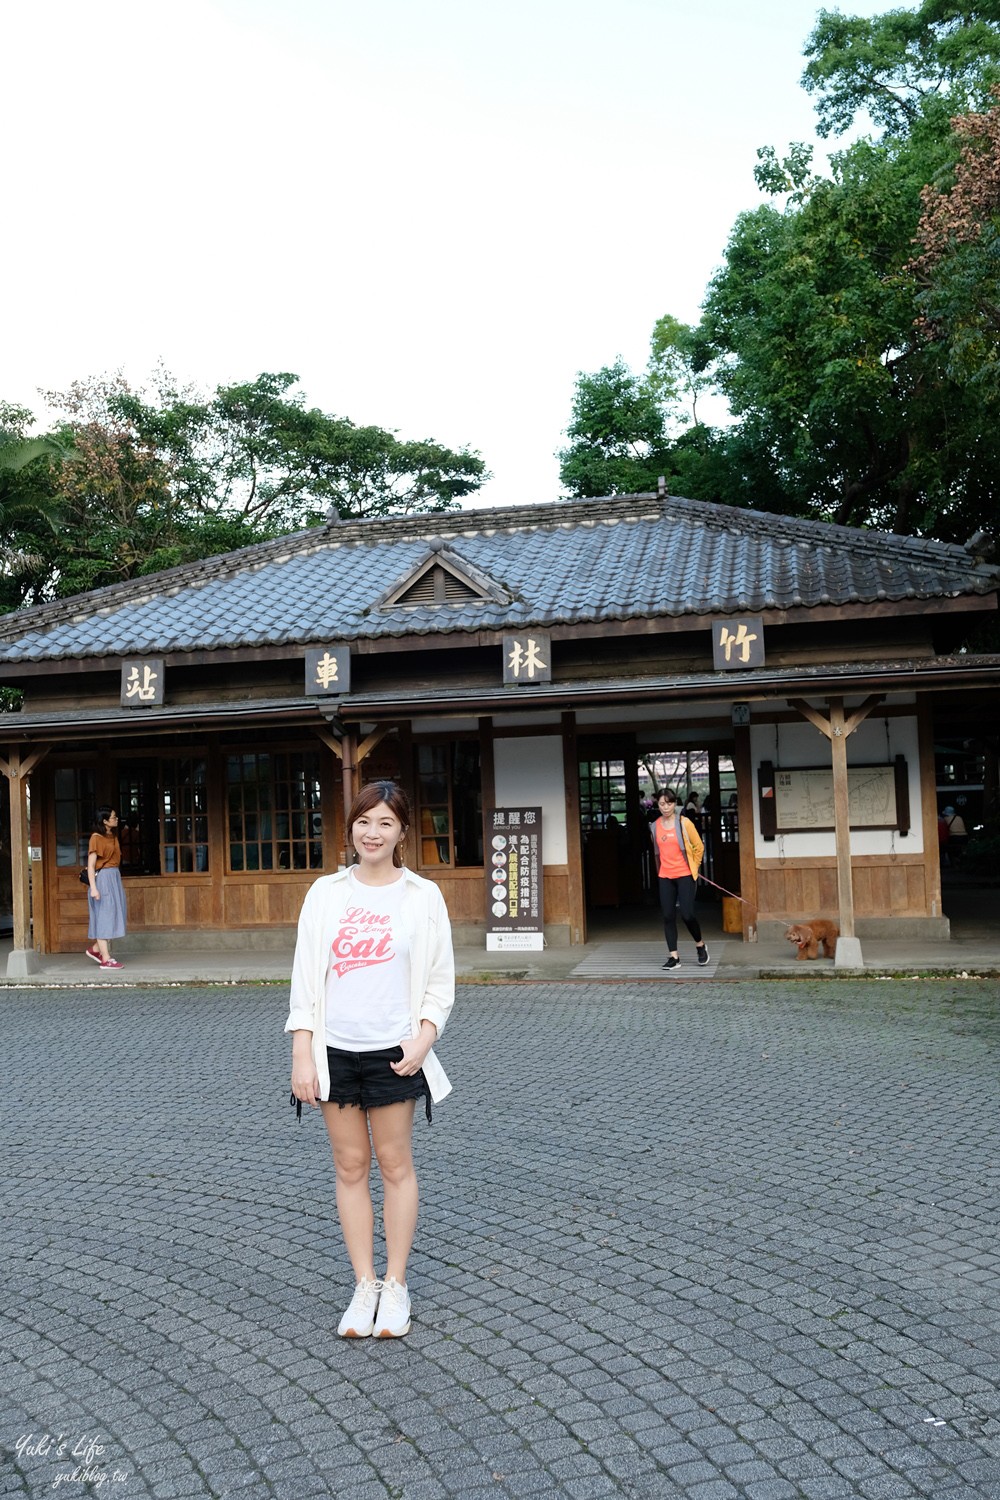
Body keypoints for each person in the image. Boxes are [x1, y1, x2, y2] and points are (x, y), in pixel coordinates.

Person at [286, 780, 455, 1339]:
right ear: (350, 828)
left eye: (385, 822)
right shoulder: (326, 894)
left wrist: (424, 1038)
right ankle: (364, 1285)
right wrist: (302, 1054)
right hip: (335, 1053)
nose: (373, 833)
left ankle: (396, 1283)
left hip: (393, 1054)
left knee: (394, 1164)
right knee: (350, 1167)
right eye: (364, 821)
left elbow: (439, 982)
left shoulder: (422, 896)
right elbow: (305, 981)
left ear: (402, 831)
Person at [651, 787, 708, 971]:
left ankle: (700, 945)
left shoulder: (684, 823)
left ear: (674, 804)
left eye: (669, 803)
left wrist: (694, 866)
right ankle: (673, 957)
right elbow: (657, 852)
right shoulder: (654, 826)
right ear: (657, 805)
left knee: (687, 914)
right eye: (661, 804)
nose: (665, 807)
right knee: (668, 916)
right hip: (665, 876)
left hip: (684, 874)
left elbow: (699, 846)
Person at [85, 805, 127, 970]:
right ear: (104, 821)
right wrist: (94, 888)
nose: (116, 819)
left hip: (114, 876)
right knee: (105, 916)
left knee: (114, 914)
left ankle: (96, 949)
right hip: (103, 879)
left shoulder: (112, 836)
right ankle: (106, 958)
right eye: (113, 817)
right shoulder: (96, 838)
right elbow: (91, 865)